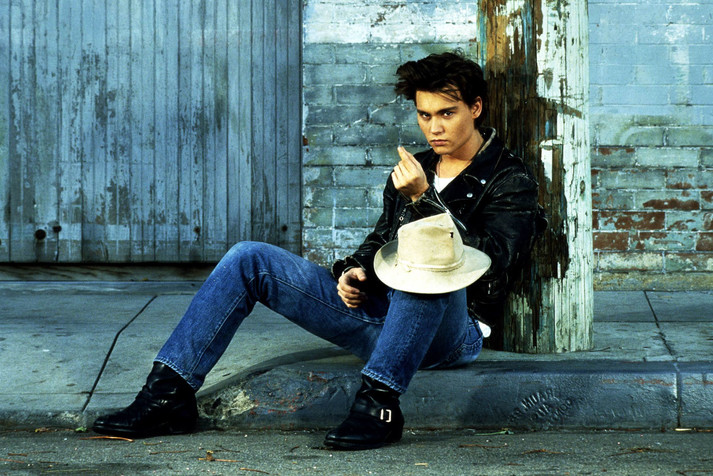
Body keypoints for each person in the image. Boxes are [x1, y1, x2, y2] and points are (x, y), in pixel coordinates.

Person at [92, 51, 541, 450]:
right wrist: (355, 270)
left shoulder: (509, 179)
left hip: (452, 332)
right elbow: (381, 240)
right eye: (424, 115)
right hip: (384, 314)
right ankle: (167, 395)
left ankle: (378, 408)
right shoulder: (415, 167)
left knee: (428, 264)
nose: (434, 127)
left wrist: (424, 199)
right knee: (248, 257)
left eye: (447, 113)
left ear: (475, 108)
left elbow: (490, 263)